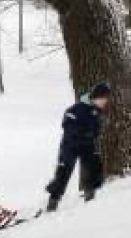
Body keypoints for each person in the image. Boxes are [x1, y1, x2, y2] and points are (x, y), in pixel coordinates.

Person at [45, 82, 111, 212]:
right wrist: (80, 131)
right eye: (102, 99)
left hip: (87, 144)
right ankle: (53, 202)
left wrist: (94, 132)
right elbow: (67, 123)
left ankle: (90, 196)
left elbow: (96, 129)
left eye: (105, 100)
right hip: (71, 145)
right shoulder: (77, 108)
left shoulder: (96, 111)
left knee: (94, 165)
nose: (104, 102)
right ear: (95, 97)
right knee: (64, 172)